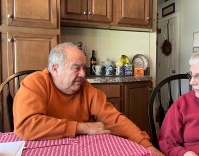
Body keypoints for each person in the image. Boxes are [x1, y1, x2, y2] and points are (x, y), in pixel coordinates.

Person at [13, 42, 163, 155]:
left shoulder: (86, 88)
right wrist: (81, 127)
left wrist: (147, 146)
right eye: (76, 68)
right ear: (55, 69)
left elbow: (115, 119)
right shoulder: (35, 83)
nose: (83, 75)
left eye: (83, 68)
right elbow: (26, 125)